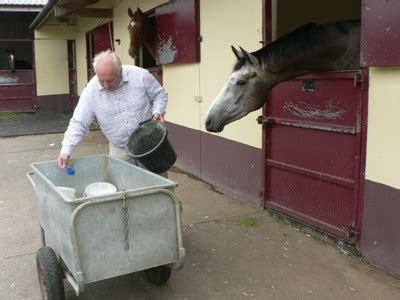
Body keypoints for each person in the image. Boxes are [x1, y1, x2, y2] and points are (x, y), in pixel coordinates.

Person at [57, 50, 168, 170]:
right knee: (123, 185)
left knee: (157, 184)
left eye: (110, 80)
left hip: (150, 142)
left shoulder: (140, 75)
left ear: (120, 72)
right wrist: (66, 151)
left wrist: (157, 111)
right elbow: (79, 123)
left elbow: (160, 95)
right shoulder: (90, 91)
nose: (105, 85)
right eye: (101, 80)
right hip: (120, 149)